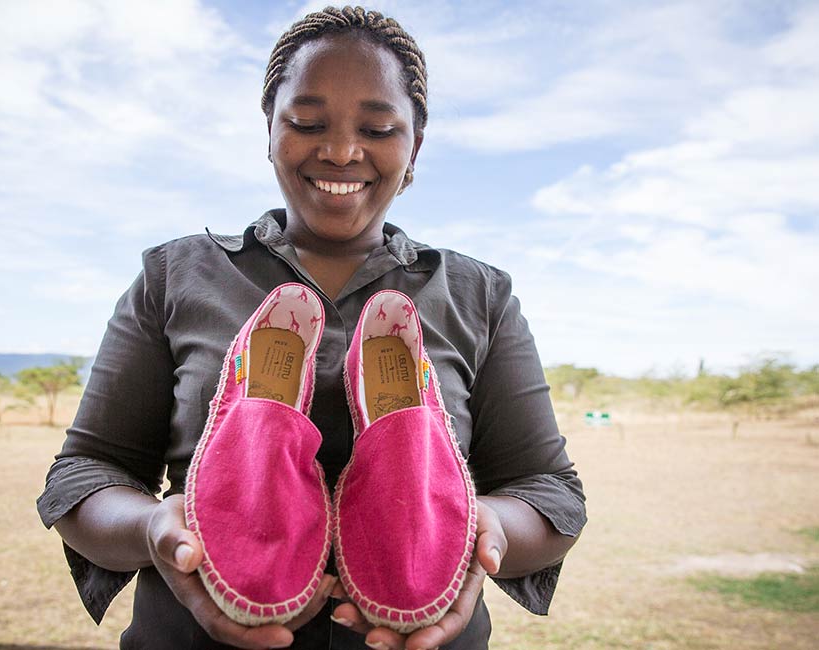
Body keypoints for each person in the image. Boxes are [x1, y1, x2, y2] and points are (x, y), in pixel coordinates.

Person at [37, 6, 586, 650]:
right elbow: (86, 473)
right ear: (269, 129)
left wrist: (481, 526)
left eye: (377, 128)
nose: (341, 151)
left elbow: (550, 491)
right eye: (306, 123)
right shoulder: (175, 276)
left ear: (414, 145)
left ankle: (408, 462)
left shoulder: (478, 295)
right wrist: (154, 527)